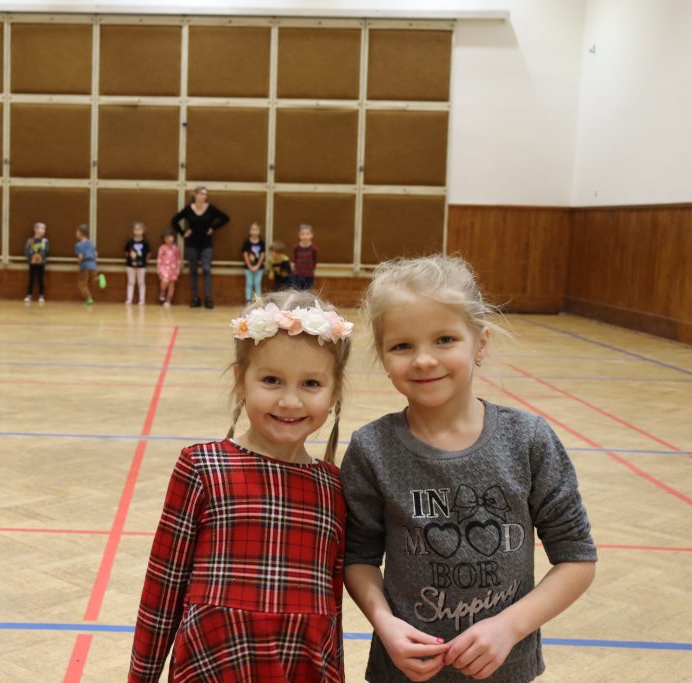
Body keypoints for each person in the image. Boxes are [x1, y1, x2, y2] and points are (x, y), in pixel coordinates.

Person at [342, 255, 597, 682]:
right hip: (403, 671)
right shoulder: (371, 449)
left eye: (444, 339)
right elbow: (359, 559)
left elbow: (577, 559)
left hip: (506, 670)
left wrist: (509, 627)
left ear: (480, 343)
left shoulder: (527, 440)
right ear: (383, 356)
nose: (424, 360)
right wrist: (385, 624)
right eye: (402, 346)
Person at [130, 290, 354, 682]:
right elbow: (163, 588)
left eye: (311, 383)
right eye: (271, 380)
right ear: (240, 381)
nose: (289, 401)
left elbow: (331, 609)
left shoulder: (333, 488)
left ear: (334, 392)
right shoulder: (202, 467)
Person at [170, 186, 229, 309]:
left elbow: (225, 218)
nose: (204, 196)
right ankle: (195, 298)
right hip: (192, 244)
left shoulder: (210, 208)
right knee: (193, 271)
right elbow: (174, 220)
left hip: (206, 244)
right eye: (201, 193)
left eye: (205, 194)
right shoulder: (188, 209)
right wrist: (183, 232)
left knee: (206, 269)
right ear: (195, 195)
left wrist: (213, 227)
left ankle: (208, 298)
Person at [124, 221, 151, 305]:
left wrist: (143, 261)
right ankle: (129, 299)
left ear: (143, 231)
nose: (138, 232)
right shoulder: (129, 242)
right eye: (136, 230)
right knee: (131, 282)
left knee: (141, 282)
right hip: (130, 265)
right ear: (133, 231)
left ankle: (142, 300)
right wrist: (131, 258)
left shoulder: (145, 242)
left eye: (139, 230)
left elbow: (148, 253)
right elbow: (126, 252)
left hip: (141, 266)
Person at [25, 220, 50, 303]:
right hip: (32, 263)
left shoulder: (45, 241)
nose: (44, 230)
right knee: (31, 279)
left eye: (44, 229)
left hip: (41, 264)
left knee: (41, 279)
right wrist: (30, 260)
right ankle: (29, 295)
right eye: (42, 228)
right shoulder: (30, 241)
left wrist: (43, 260)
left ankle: (41, 295)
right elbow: (27, 252)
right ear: (36, 230)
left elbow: (46, 252)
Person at [75, 223, 99, 305]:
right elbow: (95, 254)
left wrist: (78, 262)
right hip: (93, 265)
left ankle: (89, 299)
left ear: (81, 233)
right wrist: (94, 263)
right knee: (93, 279)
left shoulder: (79, 245)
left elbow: (81, 256)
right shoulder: (91, 243)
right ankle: (99, 278)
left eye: (77, 232)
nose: (76, 233)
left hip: (84, 265)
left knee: (82, 284)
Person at [242, 221, 266, 302]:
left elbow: (262, 255)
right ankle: (248, 300)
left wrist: (257, 266)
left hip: (259, 268)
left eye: (256, 230)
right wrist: (250, 266)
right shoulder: (246, 242)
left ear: (259, 231)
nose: (254, 232)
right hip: (248, 268)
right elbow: (245, 254)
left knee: (257, 283)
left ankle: (258, 300)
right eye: (252, 229)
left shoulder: (261, 242)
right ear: (250, 231)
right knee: (249, 283)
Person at [156, 228, 180, 307]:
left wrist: (178, 269)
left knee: (171, 285)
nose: (169, 239)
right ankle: (162, 291)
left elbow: (178, 259)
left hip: (173, 269)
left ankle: (168, 300)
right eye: (167, 237)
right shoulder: (162, 248)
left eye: (170, 237)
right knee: (165, 280)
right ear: (164, 239)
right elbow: (159, 258)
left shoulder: (176, 248)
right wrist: (159, 268)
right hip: (164, 267)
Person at [291, 223, 319, 290]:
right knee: (296, 291)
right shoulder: (296, 247)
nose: (305, 236)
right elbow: (295, 259)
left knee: (307, 292)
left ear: (312, 235)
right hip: (297, 275)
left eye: (307, 234)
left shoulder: (314, 249)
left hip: (309, 275)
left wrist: (311, 271)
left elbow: (314, 261)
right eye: (302, 234)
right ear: (299, 235)